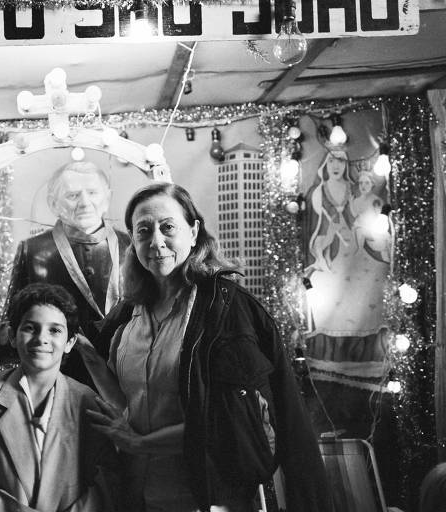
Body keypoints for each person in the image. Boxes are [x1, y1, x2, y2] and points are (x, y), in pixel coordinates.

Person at [75, 182, 332, 511]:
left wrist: (141, 443)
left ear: (193, 232)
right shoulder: (129, 312)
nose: (156, 242)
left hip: (209, 497)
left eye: (168, 227)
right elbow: (111, 384)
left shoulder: (227, 310)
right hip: (137, 494)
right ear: (133, 240)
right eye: (143, 231)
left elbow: (235, 421)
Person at [0, 161, 130, 387]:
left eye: (93, 193)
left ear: (107, 197)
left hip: (123, 372)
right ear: (53, 203)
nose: (85, 203)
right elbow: (15, 317)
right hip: (57, 374)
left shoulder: (131, 246)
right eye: (73, 195)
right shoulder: (34, 249)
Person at [0, 283, 115, 512]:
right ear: (12, 336)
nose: (42, 338)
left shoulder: (87, 402)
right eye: (30, 328)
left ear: (70, 342)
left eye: (55, 330)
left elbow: (104, 480)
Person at [306, 148, 355, 273]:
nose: (336, 166)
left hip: (341, 227)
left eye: (340, 162)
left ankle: (327, 258)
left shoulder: (349, 186)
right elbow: (317, 208)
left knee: (333, 242)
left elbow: (352, 210)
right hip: (325, 225)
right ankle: (320, 258)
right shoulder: (320, 188)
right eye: (331, 161)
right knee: (325, 239)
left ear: (346, 165)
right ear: (325, 164)